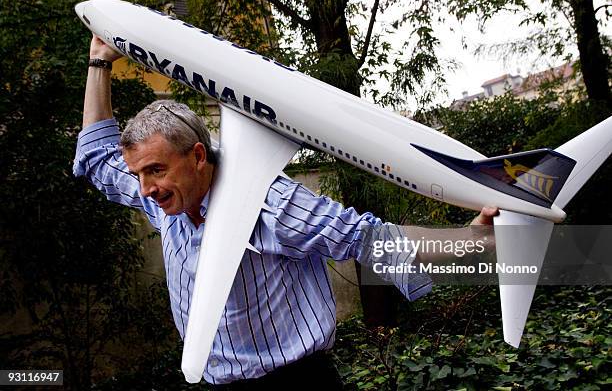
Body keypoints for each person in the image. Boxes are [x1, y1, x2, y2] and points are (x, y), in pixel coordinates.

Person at [75, 35, 498, 389]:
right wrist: (99, 59)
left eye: (156, 170)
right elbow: (96, 156)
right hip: (215, 382)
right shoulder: (166, 200)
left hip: (296, 383)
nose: (145, 188)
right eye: (139, 173)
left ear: (198, 156)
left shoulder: (269, 204)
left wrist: (470, 241)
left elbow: (367, 239)